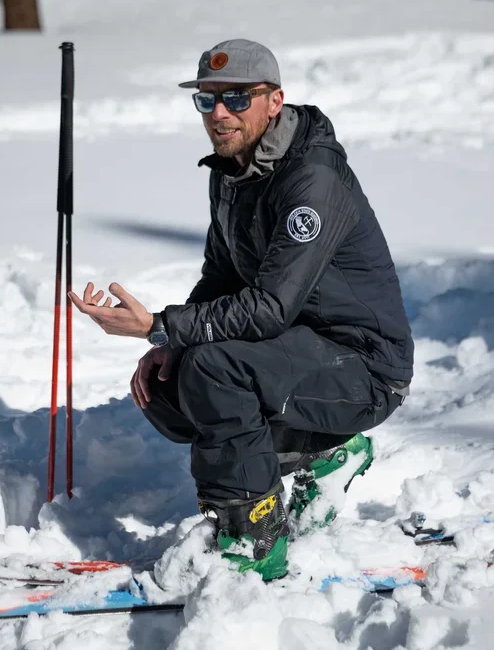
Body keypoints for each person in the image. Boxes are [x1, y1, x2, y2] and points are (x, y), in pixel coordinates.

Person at [69, 39, 413, 581]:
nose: (220, 114)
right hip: (301, 349)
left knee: (214, 370)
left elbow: (271, 307)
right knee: (172, 384)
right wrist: (171, 344)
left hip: (363, 365)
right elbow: (223, 275)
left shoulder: (312, 180)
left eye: (236, 98)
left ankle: (253, 538)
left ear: (274, 101)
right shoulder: (231, 170)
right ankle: (321, 456)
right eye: (207, 101)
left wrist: (159, 326)